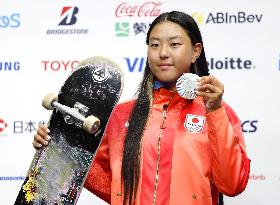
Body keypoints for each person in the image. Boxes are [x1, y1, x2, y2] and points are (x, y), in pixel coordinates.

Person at [33, 11, 250, 205]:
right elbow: (112, 186)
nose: (163, 53)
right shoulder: (122, 114)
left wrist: (215, 113)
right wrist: (61, 146)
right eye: (155, 44)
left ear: (195, 51)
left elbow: (233, 185)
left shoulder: (218, 113)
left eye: (174, 44)